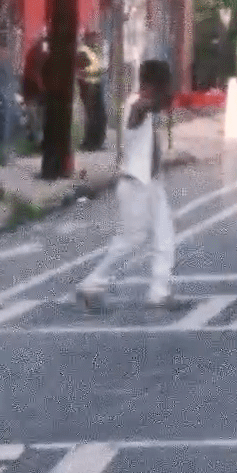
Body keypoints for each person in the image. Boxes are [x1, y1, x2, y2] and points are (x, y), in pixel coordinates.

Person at [76, 58, 176, 313]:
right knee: (132, 239)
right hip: (135, 184)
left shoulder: (146, 107)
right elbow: (138, 115)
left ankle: (159, 292)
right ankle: (91, 284)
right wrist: (159, 101)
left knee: (164, 237)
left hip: (152, 183)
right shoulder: (136, 106)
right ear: (154, 85)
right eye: (165, 85)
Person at [77, 31, 106, 151]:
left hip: (97, 84)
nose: (98, 39)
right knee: (92, 115)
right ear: (88, 38)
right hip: (88, 86)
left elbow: (100, 66)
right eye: (95, 37)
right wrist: (93, 73)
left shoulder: (96, 49)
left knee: (99, 115)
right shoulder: (83, 51)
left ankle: (97, 142)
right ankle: (90, 142)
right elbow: (80, 70)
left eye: (98, 37)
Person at [21, 32, 50, 144]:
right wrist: (41, 84)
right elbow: (34, 72)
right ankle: (36, 138)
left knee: (38, 113)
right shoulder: (36, 52)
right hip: (32, 86)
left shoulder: (42, 52)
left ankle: (38, 138)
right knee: (34, 113)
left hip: (37, 87)